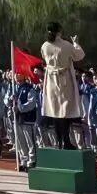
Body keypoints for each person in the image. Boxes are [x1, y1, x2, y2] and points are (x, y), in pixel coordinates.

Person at [39, 22, 85, 150]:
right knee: (65, 110)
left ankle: (59, 140)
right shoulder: (66, 45)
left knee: (54, 110)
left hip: (51, 79)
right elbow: (79, 55)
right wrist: (76, 43)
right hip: (64, 79)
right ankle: (65, 140)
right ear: (59, 31)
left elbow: (43, 57)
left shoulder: (45, 46)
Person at [13, 72, 39, 170]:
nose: (16, 76)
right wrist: (10, 101)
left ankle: (32, 160)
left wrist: (20, 106)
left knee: (30, 141)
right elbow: (6, 100)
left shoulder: (29, 89)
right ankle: (24, 160)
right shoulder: (14, 88)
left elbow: (31, 104)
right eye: (16, 74)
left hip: (28, 119)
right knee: (20, 141)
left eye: (19, 74)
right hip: (17, 118)